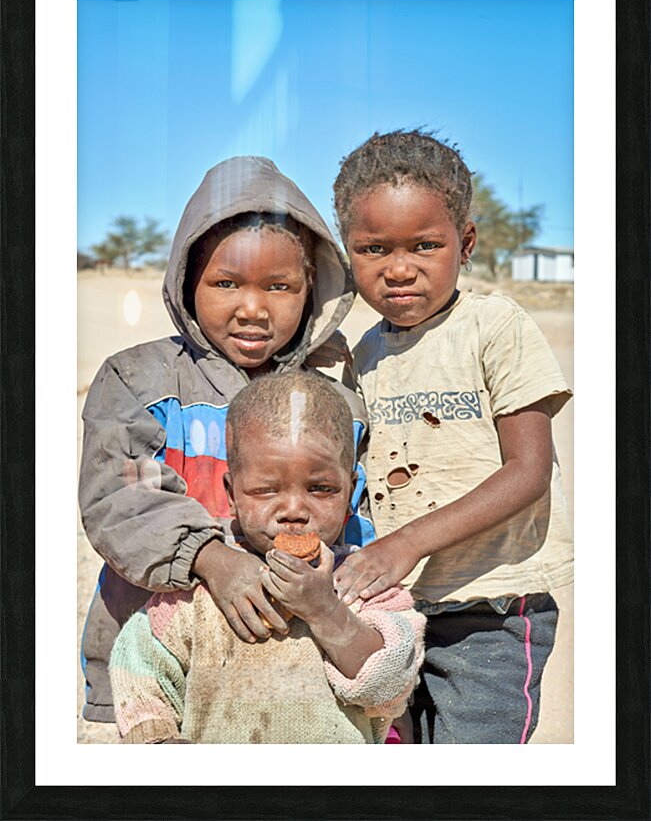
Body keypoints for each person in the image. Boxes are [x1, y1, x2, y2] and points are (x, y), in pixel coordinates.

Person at [79, 156, 374, 724]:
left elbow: (355, 520)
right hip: (153, 679)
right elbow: (119, 498)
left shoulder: (334, 400)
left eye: (280, 286)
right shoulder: (138, 381)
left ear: (312, 291)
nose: (253, 308)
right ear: (187, 283)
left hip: (298, 683)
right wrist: (210, 558)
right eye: (226, 283)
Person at [331, 130, 573, 744]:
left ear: (464, 243)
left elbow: (527, 471)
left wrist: (407, 543)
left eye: (425, 245)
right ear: (347, 253)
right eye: (374, 249)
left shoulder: (495, 328)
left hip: (492, 610)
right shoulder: (366, 355)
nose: (399, 268)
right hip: (398, 612)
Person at [109, 372, 425, 744]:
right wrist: (155, 739)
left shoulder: (366, 587)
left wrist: (325, 610)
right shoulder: (202, 589)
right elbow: (139, 664)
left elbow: (389, 689)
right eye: (265, 490)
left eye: (321, 489)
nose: (293, 510)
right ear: (232, 493)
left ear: (350, 489)